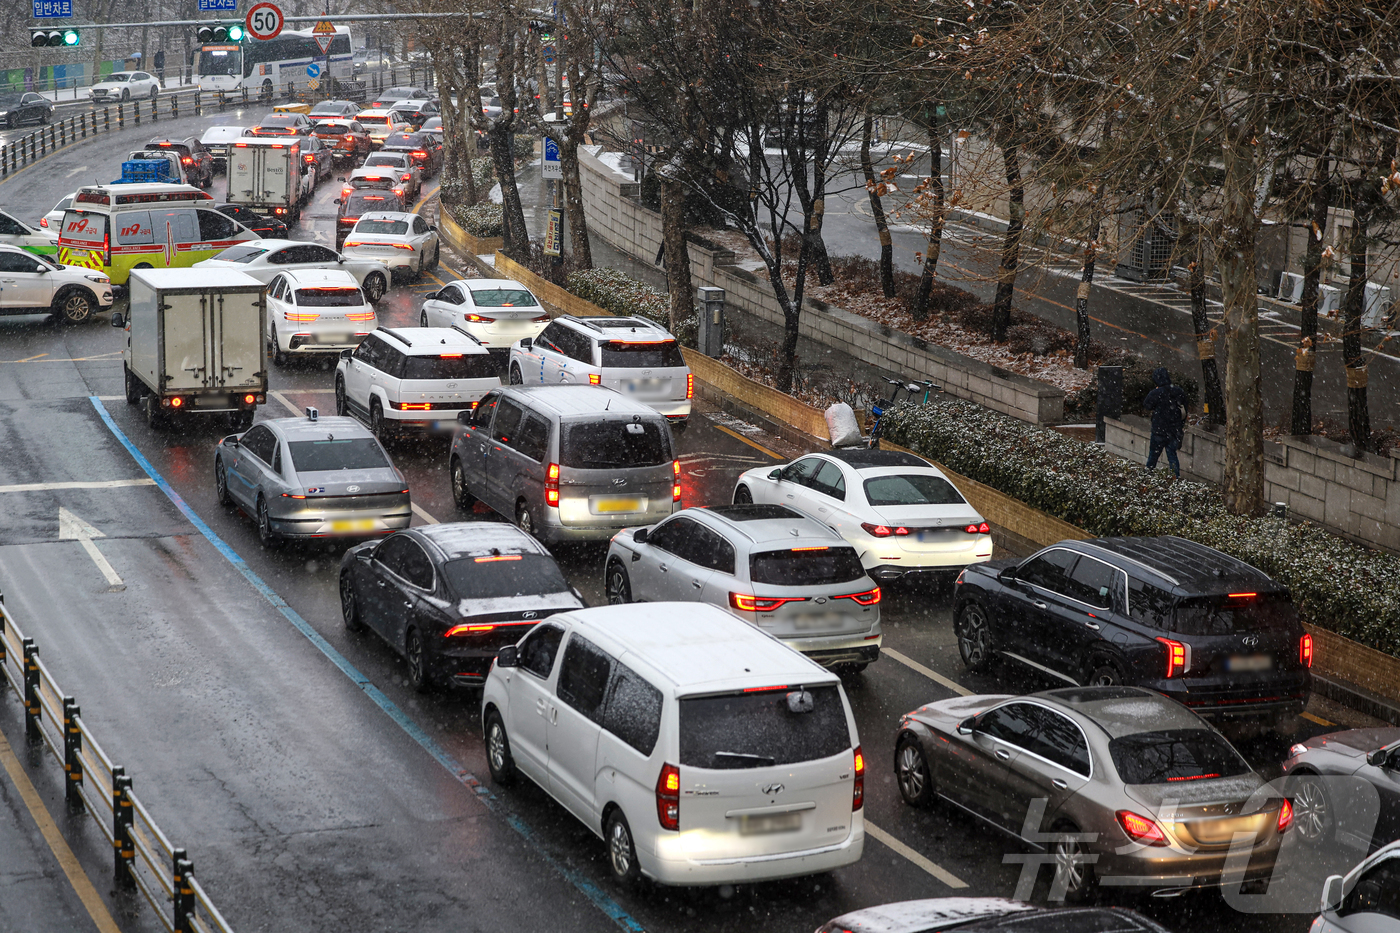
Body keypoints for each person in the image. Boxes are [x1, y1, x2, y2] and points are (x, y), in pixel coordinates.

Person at [1143, 366, 1188, 478]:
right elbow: (1184, 409)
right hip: (1173, 431)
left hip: (1159, 430)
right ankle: (1175, 478)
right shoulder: (1178, 391)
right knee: (1172, 455)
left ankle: (1147, 476)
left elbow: (1147, 405)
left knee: (1153, 456)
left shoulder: (1156, 393)